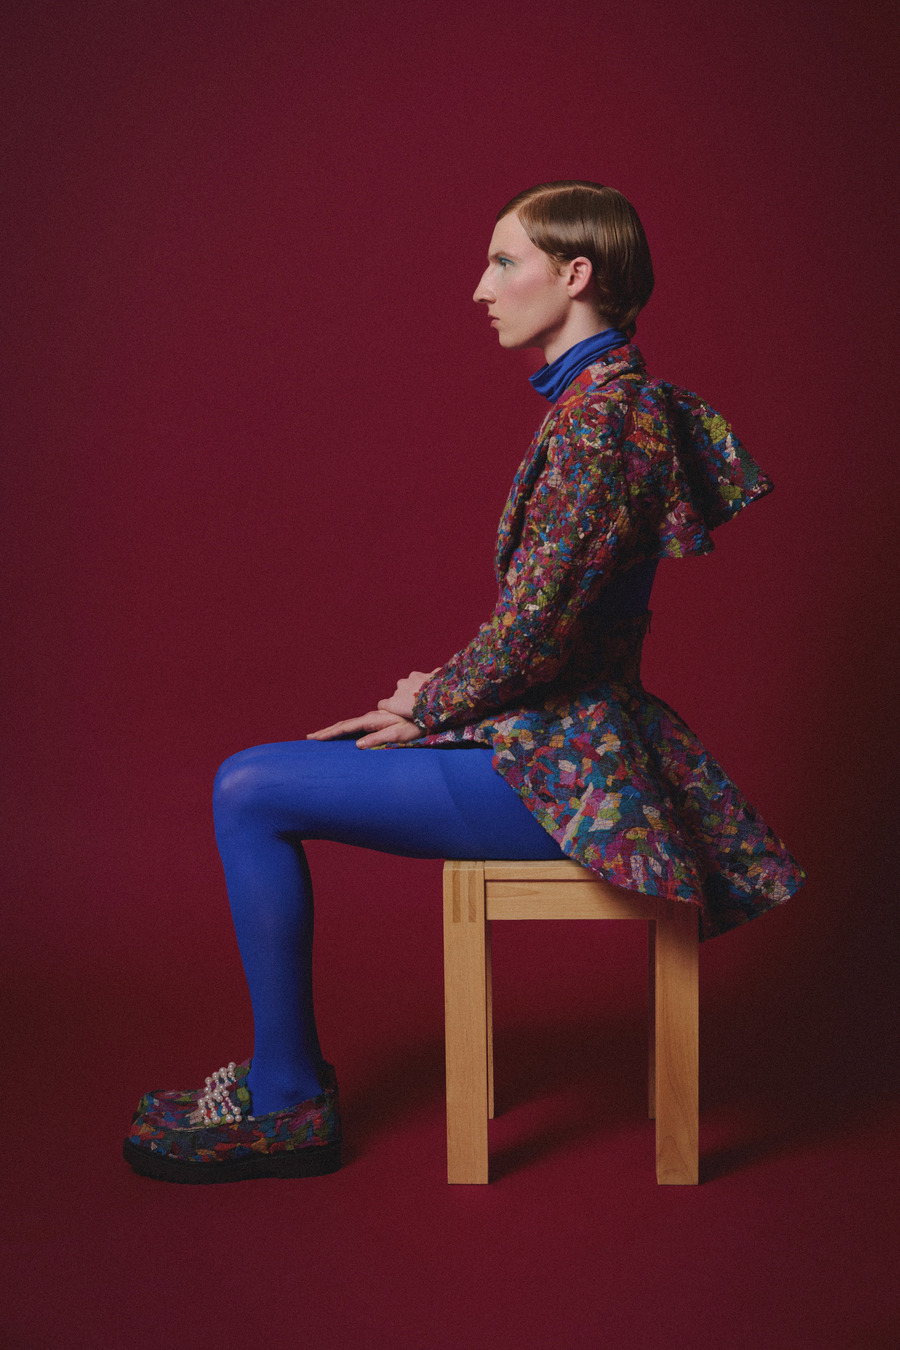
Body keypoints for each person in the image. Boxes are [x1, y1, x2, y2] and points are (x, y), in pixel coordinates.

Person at [123, 181, 805, 1184]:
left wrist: (430, 705)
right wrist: (436, 692)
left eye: (503, 262)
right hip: (563, 747)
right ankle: (285, 1086)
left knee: (249, 788)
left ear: (575, 275)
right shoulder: (609, 405)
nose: (481, 289)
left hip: (568, 778)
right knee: (264, 779)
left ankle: (287, 1101)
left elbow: (534, 635)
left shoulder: (603, 423)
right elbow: (547, 625)